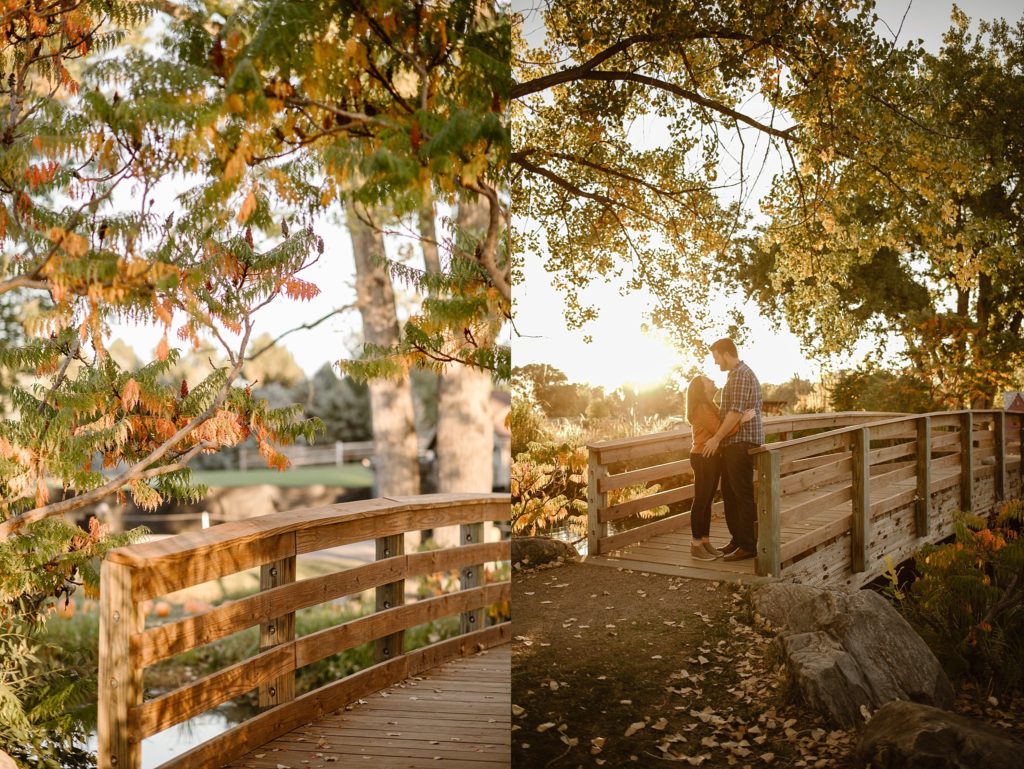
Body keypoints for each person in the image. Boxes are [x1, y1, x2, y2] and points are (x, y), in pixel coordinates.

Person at [701, 338, 764, 562]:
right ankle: (737, 540)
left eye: (716, 356)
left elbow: (735, 413)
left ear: (726, 353)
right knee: (730, 494)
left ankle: (748, 545)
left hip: (741, 442)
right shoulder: (734, 375)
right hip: (733, 443)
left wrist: (717, 438)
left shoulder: (740, 375)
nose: (715, 362)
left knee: (741, 494)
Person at [686, 375, 753, 561]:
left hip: (712, 457)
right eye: (708, 380)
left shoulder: (711, 405)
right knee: (701, 500)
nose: (713, 381)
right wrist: (741, 421)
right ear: (701, 388)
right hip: (702, 456)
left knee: (707, 501)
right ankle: (695, 544)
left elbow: (721, 427)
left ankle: (705, 542)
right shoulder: (701, 407)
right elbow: (720, 429)